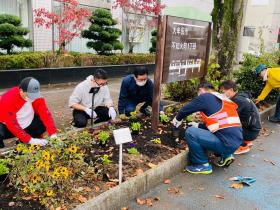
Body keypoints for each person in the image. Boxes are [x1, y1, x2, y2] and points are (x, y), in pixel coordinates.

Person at [172, 82, 243, 174]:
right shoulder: (223, 99)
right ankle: (226, 156)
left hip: (226, 144)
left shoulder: (205, 97)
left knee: (191, 132)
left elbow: (185, 110)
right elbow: (219, 124)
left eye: (198, 93)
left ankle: (202, 165)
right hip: (236, 142)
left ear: (201, 90)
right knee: (222, 133)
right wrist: (198, 125)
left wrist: (177, 120)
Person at [0, 77, 57, 148]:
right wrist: (30, 140)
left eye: (35, 95)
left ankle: (22, 141)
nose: (33, 98)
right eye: (29, 95)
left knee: (41, 124)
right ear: (21, 91)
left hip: (27, 123)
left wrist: (53, 133)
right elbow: (11, 123)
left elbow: (46, 114)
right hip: (6, 126)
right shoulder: (8, 98)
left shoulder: (37, 96)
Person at [220, 80, 261, 155]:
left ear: (231, 90)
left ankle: (242, 146)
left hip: (250, 132)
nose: (222, 95)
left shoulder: (237, 100)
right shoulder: (241, 96)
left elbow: (228, 117)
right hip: (253, 130)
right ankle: (247, 141)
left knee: (225, 128)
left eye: (223, 92)